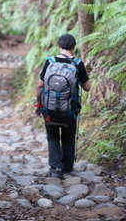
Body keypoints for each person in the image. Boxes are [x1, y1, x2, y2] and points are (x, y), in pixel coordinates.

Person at [35, 34, 90, 178]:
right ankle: (67, 167)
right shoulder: (77, 64)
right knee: (68, 137)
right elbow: (87, 87)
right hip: (69, 110)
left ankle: (55, 169)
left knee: (52, 137)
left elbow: (40, 85)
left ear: (59, 47)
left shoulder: (50, 61)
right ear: (73, 47)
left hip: (50, 109)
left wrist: (38, 103)